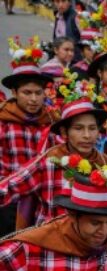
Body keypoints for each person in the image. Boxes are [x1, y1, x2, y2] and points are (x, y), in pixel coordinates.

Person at [0, 74, 107, 229]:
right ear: (64, 133)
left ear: (99, 132)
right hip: (50, 245)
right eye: (78, 128)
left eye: (92, 128)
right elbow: (9, 188)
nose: (87, 135)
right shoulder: (49, 162)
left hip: (93, 246)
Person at [0, 37, 57, 236]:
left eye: (38, 93)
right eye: (27, 92)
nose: (33, 99)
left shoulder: (52, 121)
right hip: (8, 203)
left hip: (43, 203)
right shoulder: (3, 122)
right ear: (14, 92)